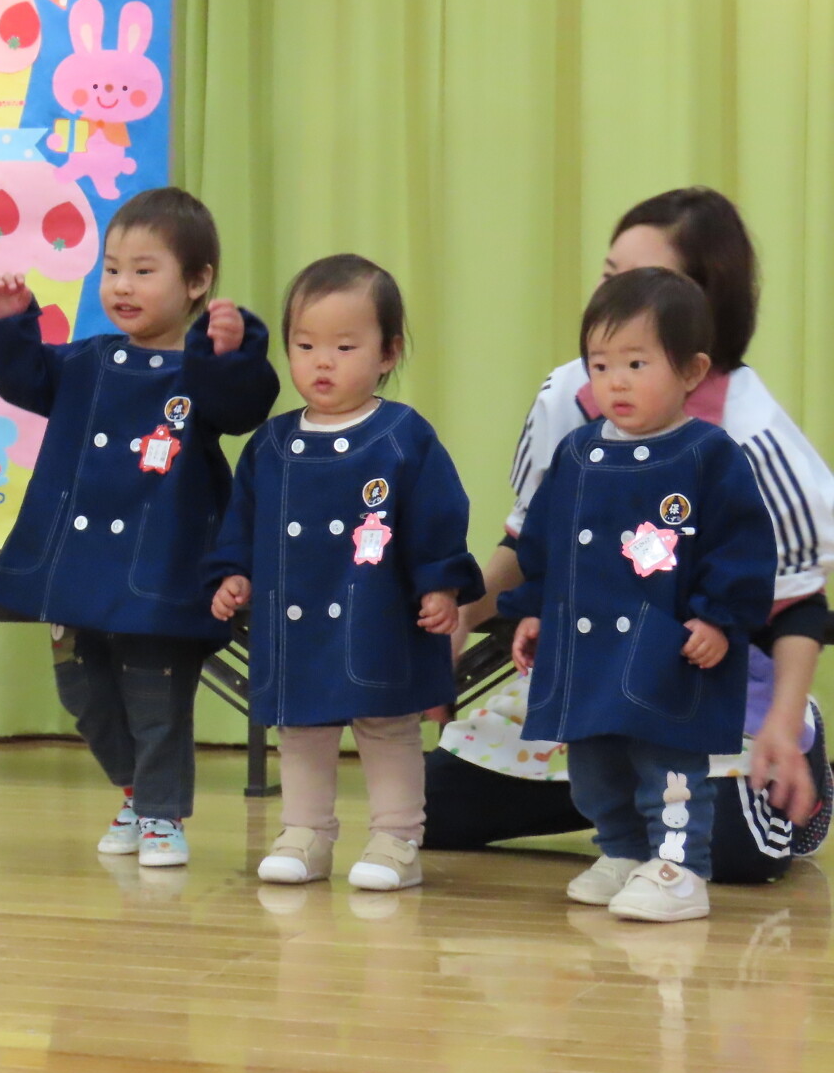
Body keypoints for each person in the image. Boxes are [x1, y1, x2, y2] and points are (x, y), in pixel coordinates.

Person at [430, 188, 834, 882]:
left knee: (728, 849)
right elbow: (531, 544)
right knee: (432, 812)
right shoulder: (569, 399)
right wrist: (462, 619)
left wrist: (782, 722)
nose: (614, 298)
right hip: (589, 671)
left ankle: (741, 776)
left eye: (645, 280)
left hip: (701, 683)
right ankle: (622, 825)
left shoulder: (751, 437)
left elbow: (799, 604)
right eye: (609, 274)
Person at [0, 187, 279, 867]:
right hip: (75, 567)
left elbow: (244, 404)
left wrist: (230, 352)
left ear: (196, 282)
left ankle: (163, 815)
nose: (122, 286)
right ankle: (138, 793)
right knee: (81, 692)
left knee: (155, 695)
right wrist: (7, 322)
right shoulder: (86, 361)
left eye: (144, 270)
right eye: (111, 269)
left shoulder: (199, 373)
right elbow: (23, 377)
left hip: (162, 564)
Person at [500, 267, 777, 921]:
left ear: (692, 371)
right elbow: (543, 543)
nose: (615, 382)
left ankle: (681, 866)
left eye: (636, 363)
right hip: (586, 651)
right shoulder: (575, 453)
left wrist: (718, 618)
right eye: (600, 366)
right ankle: (622, 851)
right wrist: (534, 611)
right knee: (594, 766)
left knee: (668, 765)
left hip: (667, 651)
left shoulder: (709, 456)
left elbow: (742, 549)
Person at [209, 254, 483, 891]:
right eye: (305, 346)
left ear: (388, 353)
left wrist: (441, 584)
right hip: (296, 618)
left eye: (344, 346)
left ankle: (396, 839)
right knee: (301, 725)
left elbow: (439, 516)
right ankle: (305, 833)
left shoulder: (403, 436)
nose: (322, 362)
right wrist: (233, 573)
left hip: (377, 612)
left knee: (388, 726)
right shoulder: (271, 444)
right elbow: (241, 521)